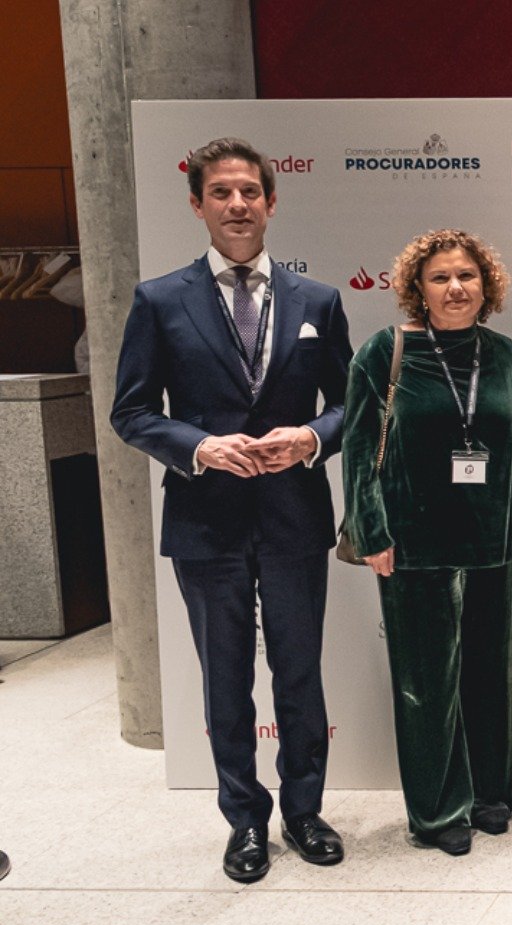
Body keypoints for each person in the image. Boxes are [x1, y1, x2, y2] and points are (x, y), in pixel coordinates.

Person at [112, 137, 352, 883]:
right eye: (222, 193)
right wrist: (197, 446)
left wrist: (311, 435)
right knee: (224, 677)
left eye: (250, 191)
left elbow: (354, 405)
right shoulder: (159, 299)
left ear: (272, 202)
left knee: (299, 672)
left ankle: (305, 811)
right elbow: (131, 411)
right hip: (205, 518)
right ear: (198, 205)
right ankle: (244, 819)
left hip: (292, 513)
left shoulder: (318, 300)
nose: (238, 204)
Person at [341, 229, 512, 856]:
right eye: (440, 278)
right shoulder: (385, 352)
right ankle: (435, 812)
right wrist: (372, 531)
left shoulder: (506, 354)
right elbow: (355, 448)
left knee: (489, 675)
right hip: (412, 542)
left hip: (492, 540)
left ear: (487, 285)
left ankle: (489, 796)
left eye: (467, 276)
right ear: (416, 289)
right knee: (428, 684)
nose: (456, 288)